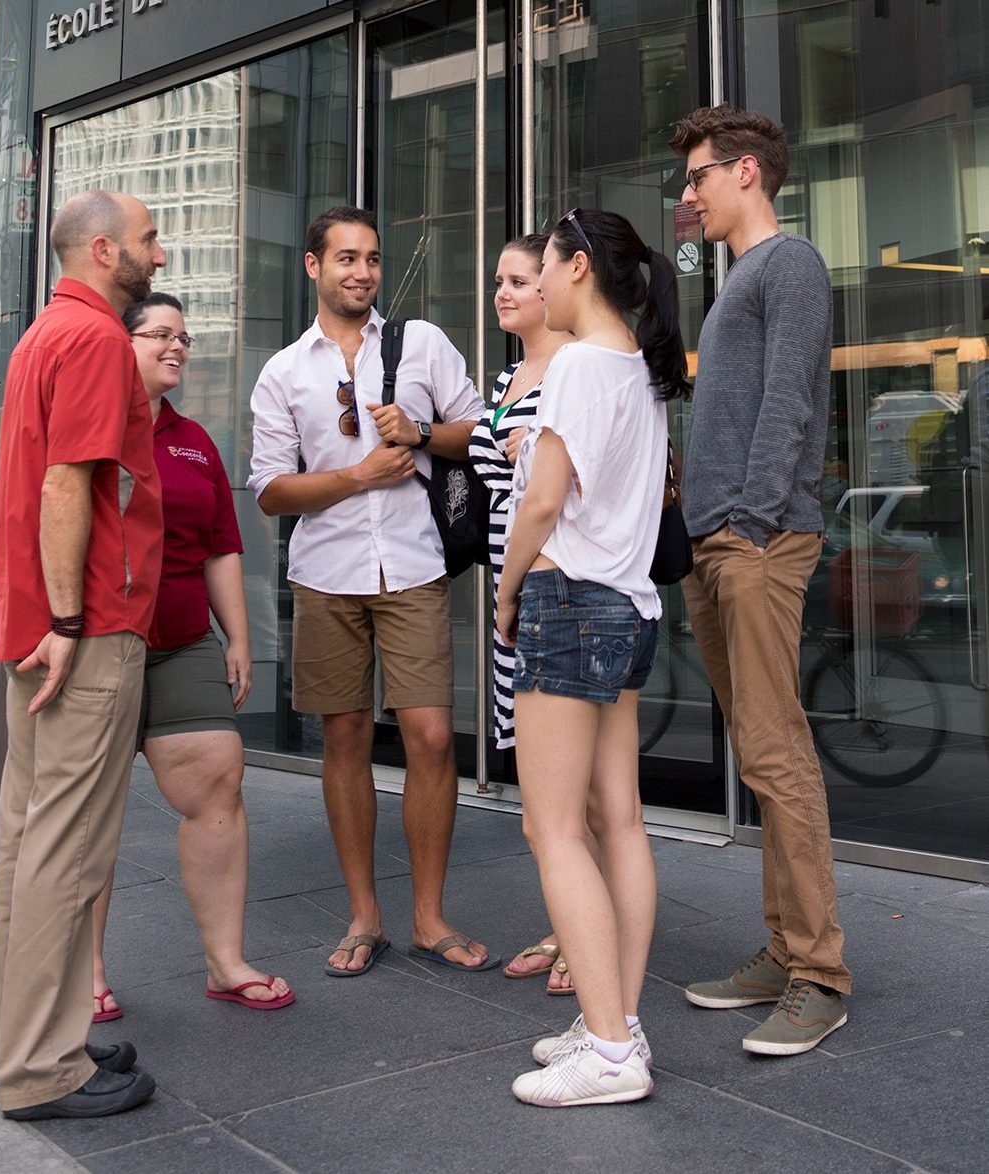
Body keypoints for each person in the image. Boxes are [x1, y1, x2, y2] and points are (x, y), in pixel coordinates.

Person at [248, 205, 495, 977]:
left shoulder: (419, 344)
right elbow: (268, 491)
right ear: (313, 267)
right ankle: (364, 916)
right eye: (347, 258)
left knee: (427, 737)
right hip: (325, 574)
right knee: (346, 738)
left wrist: (419, 434)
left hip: (415, 567)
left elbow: (479, 433)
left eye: (373, 258)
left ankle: (429, 917)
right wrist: (356, 476)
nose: (362, 271)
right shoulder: (284, 371)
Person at [496, 208, 690, 1107]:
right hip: (630, 605)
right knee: (621, 823)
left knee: (554, 829)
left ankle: (610, 1051)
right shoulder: (643, 369)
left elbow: (541, 503)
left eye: (547, 266)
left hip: (570, 602)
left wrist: (505, 592)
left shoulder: (575, 363)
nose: (538, 282)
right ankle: (619, 1022)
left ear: (578, 269)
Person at [670, 103, 852, 1055]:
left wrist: (748, 524)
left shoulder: (792, 264)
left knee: (778, 754)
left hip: (756, 543)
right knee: (760, 750)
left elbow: (790, 405)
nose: (688, 192)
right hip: (719, 545)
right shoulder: (739, 278)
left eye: (698, 175)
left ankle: (820, 974)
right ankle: (785, 950)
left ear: (746, 172)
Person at [0, 189, 166, 1120]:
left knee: (30, 845)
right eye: (147, 241)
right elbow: (70, 483)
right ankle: (42, 1069)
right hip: (85, 630)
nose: (160, 255)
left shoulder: (39, 337)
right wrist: (68, 622)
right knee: (64, 851)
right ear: (103, 250)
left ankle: (39, 1043)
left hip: (41, 629)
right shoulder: (97, 340)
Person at [89, 293, 293, 1020]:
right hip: (95, 645)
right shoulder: (90, 420)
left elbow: (220, 546)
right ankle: (82, 974)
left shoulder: (193, 441)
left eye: (185, 337)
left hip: (181, 644)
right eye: (161, 335)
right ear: (122, 342)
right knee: (88, 812)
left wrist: (237, 637)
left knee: (218, 782)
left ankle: (225, 961)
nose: (177, 347)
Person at [468, 234, 577, 995]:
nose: (503, 292)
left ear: (552, 286)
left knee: (567, 798)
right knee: (541, 794)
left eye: (517, 279)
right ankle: (568, 922)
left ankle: (584, 937)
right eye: (497, 279)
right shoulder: (509, 374)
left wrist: (525, 457)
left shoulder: (574, 367)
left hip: (554, 586)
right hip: (513, 592)